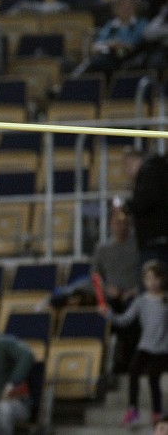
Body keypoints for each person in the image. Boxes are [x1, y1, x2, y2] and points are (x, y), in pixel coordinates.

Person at [100, 260, 168, 427]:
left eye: (155, 278)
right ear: (143, 281)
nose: (152, 283)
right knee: (133, 372)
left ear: (162, 279)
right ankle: (133, 410)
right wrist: (108, 314)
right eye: (148, 279)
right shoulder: (141, 301)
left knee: (154, 378)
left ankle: (157, 412)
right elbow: (124, 320)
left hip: (163, 349)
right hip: (145, 346)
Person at [92, 204, 142, 371]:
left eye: (124, 222)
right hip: (111, 294)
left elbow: (146, 271)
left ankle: (134, 361)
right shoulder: (102, 248)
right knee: (104, 311)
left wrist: (135, 290)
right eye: (117, 223)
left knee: (133, 312)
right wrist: (107, 289)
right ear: (110, 224)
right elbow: (95, 276)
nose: (121, 226)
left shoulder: (138, 245)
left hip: (134, 294)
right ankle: (109, 362)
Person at [75, 0, 148, 78]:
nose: (126, 9)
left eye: (129, 5)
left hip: (131, 59)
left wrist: (122, 46)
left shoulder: (141, 24)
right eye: (122, 5)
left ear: (135, 7)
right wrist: (109, 44)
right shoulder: (111, 25)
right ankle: (76, 81)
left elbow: (139, 43)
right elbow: (96, 46)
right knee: (97, 63)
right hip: (109, 58)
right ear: (116, 8)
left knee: (100, 64)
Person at [125, 150, 168, 267]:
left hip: (154, 242)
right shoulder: (158, 169)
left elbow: (146, 201)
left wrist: (129, 206)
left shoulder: (149, 172)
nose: (126, 172)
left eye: (127, 166)